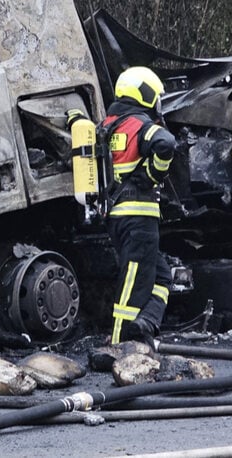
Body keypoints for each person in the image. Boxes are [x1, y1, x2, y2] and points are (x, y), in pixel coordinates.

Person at [80, 66, 176, 347]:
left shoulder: (108, 124)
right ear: (144, 93)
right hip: (139, 217)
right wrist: (152, 175)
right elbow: (166, 142)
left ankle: (146, 323)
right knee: (133, 281)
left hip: (117, 215)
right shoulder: (138, 124)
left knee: (161, 275)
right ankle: (121, 344)